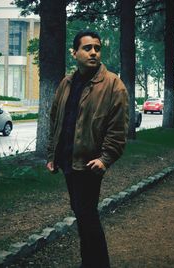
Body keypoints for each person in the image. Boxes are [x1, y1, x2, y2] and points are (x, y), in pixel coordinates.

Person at [47, 30, 129, 268]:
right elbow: (56, 120)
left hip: (90, 164)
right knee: (83, 213)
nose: (94, 52)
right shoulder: (67, 83)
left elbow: (118, 128)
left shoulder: (113, 85)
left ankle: (97, 263)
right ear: (74, 53)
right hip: (68, 162)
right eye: (87, 48)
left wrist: (106, 158)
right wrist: (52, 155)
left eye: (97, 48)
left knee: (87, 215)